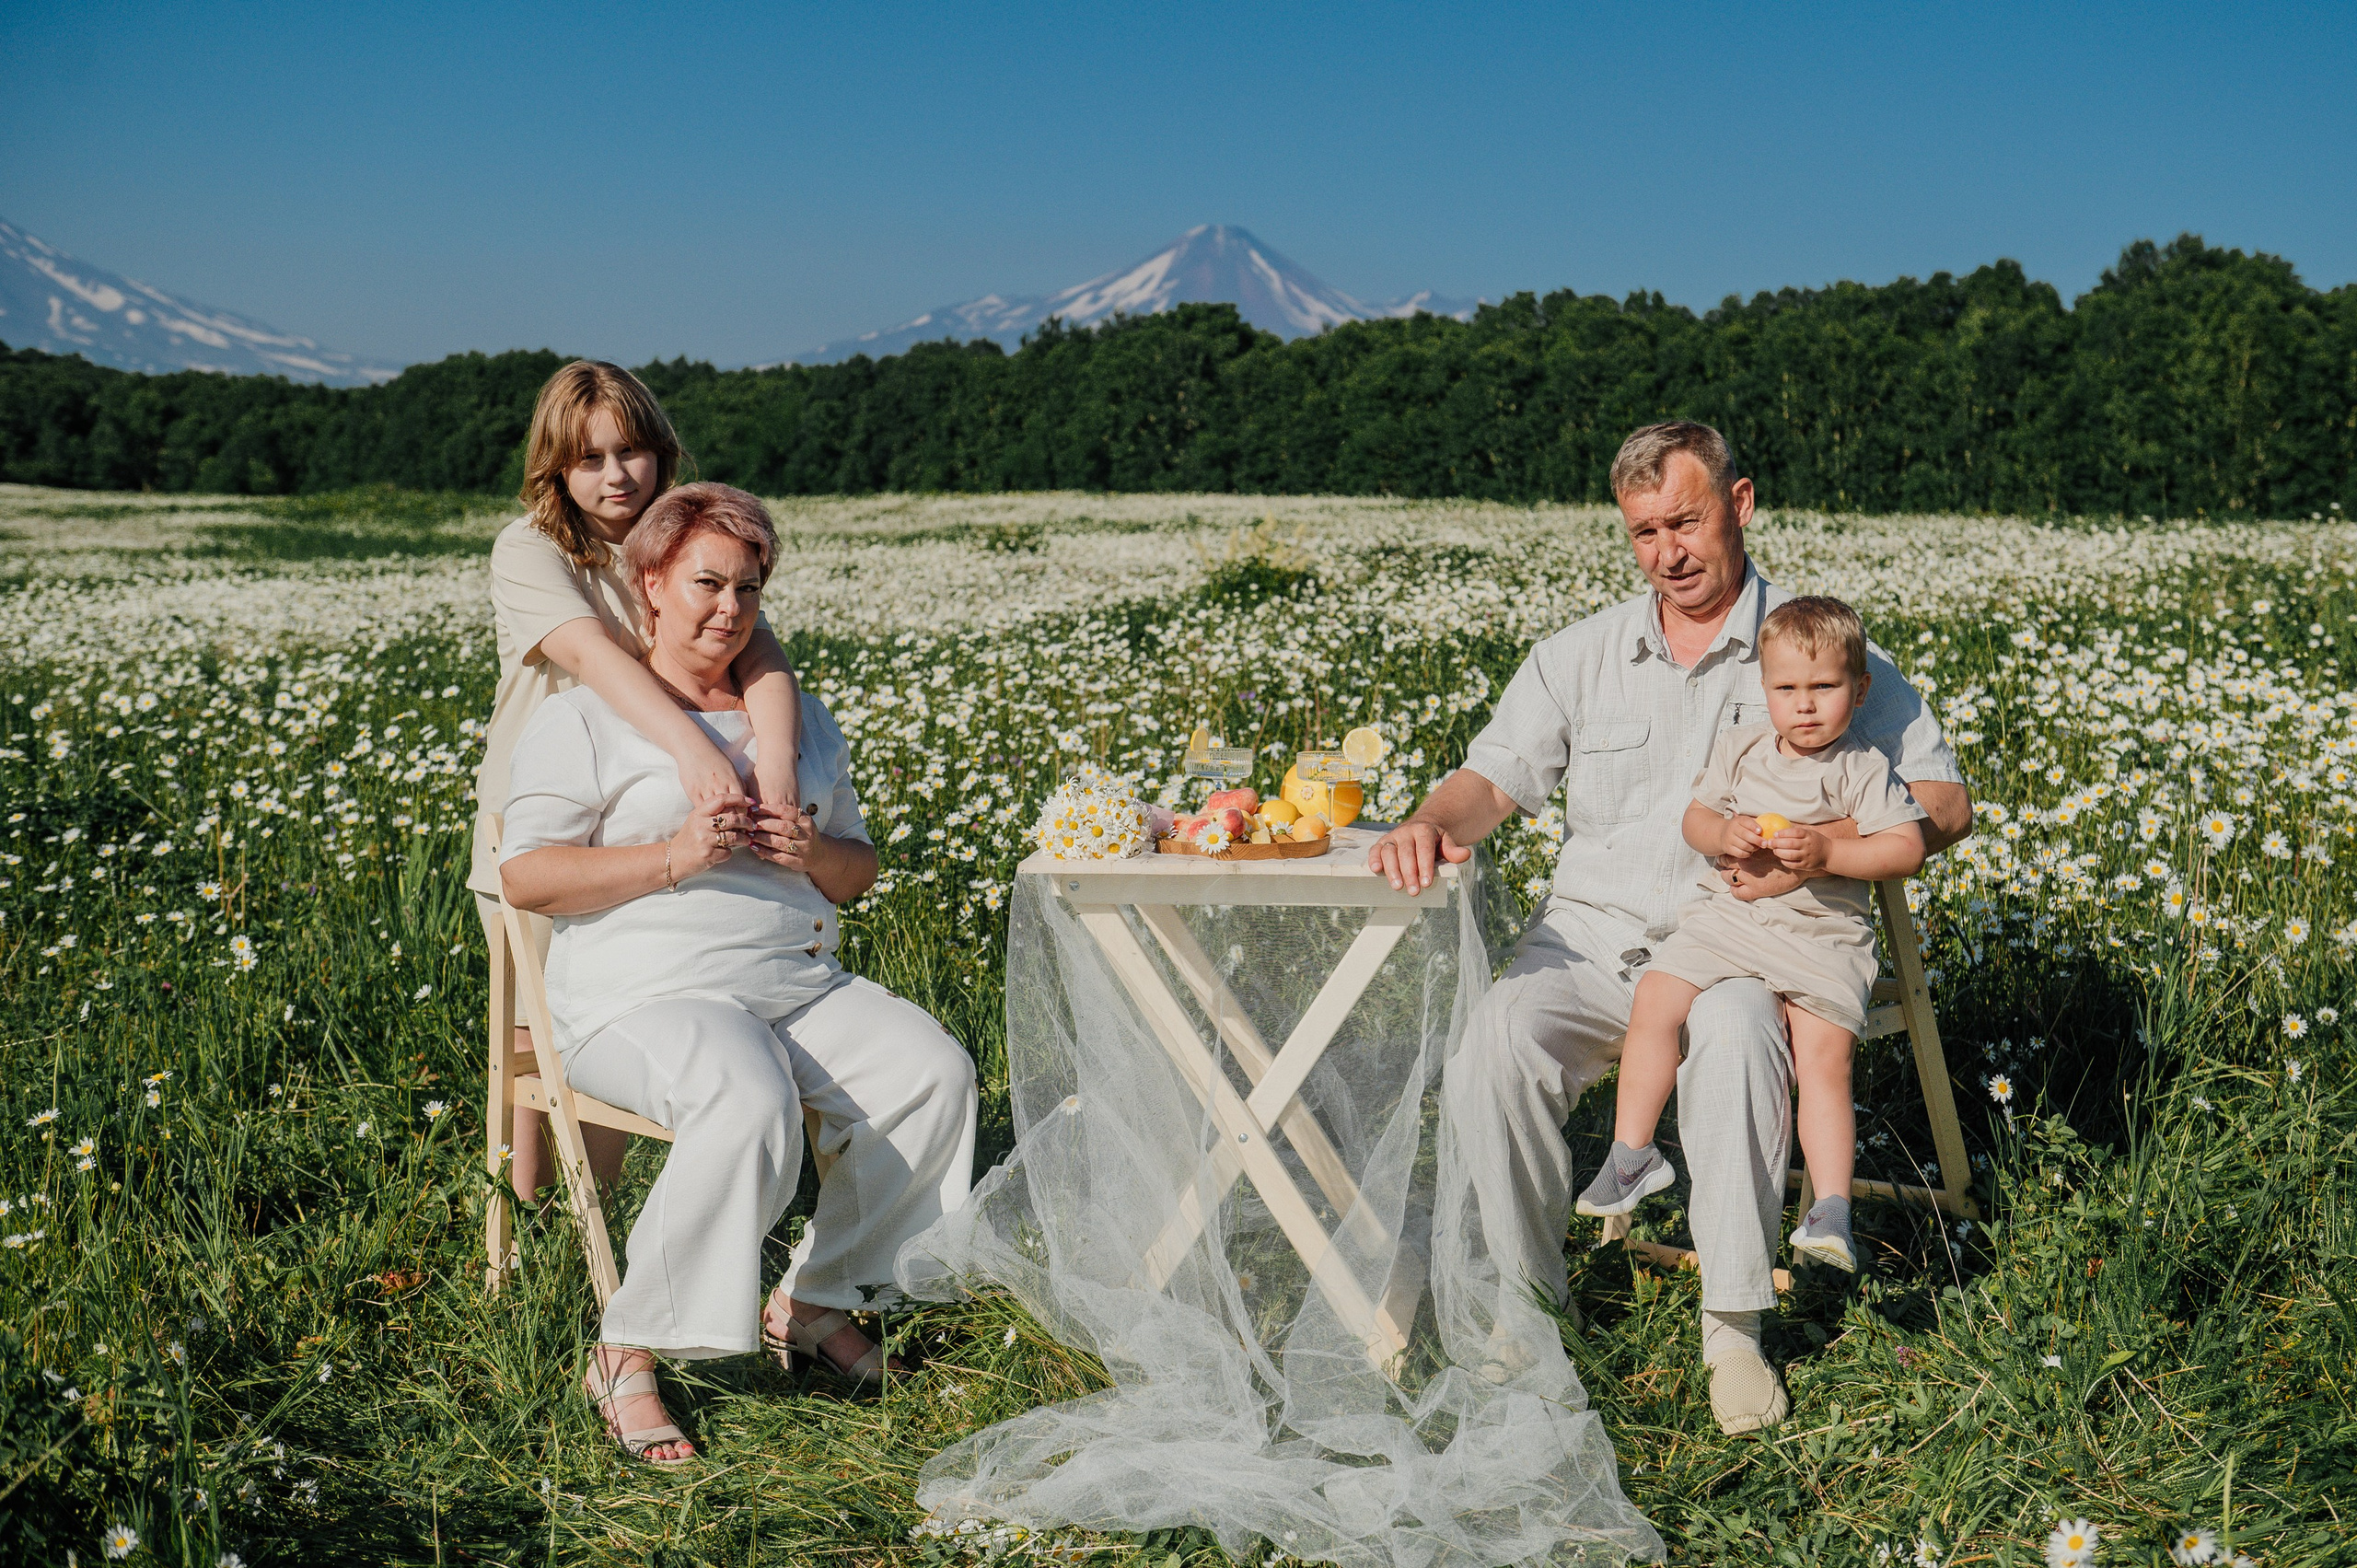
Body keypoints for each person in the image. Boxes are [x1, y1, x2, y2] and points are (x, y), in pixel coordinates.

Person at [1366, 421, 1972, 1436]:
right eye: (1644, 532)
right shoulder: (1578, 654)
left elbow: (1943, 802)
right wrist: (1428, 821)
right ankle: (1525, 1301)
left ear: (1739, 504)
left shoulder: (1820, 647)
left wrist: (1825, 841)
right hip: (1592, 939)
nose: (1667, 552)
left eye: (1684, 521)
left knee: (1736, 1033)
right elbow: (1491, 779)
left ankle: (1731, 1327)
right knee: (1493, 1046)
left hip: (1749, 940)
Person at [500, 482, 978, 1466]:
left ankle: (818, 1297)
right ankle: (625, 1350)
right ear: (650, 584)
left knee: (934, 1073)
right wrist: (673, 855)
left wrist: (809, 851)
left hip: (796, 981)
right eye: (707, 583)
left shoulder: (795, 720)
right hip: (648, 995)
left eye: (748, 589)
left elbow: (858, 871)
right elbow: (528, 875)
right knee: (745, 1093)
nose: (728, 608)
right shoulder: (587, 719)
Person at [471, 361, 807, 1206]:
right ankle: (531, 1209)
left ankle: (603, 1208)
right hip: (548, 819)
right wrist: (697, 751)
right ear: (556, 468)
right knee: (534, 1027)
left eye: (632, 452)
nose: (616, 476)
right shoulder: (531, 550)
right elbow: (594, 658)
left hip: (656, 823)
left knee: (623, 1003)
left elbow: (762, 654)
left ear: (662, 451)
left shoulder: (684, 542)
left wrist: (774, 764)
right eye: (589, 459)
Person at [1574, 596, 1930, 1278]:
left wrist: (1827, 854)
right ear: (1762, 688)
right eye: (1786, 688)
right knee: (1654, 995)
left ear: (1858, 691)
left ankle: (1828, 1207)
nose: (1804, 705)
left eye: (1823, 687)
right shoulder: (1741, 747)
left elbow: (1906, 846)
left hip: (1820, 934)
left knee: (1823, 1060)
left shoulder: (1861, 766)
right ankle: (1632, 1153)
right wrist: (1722, 833)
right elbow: (1696, 819)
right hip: (1731, 920)